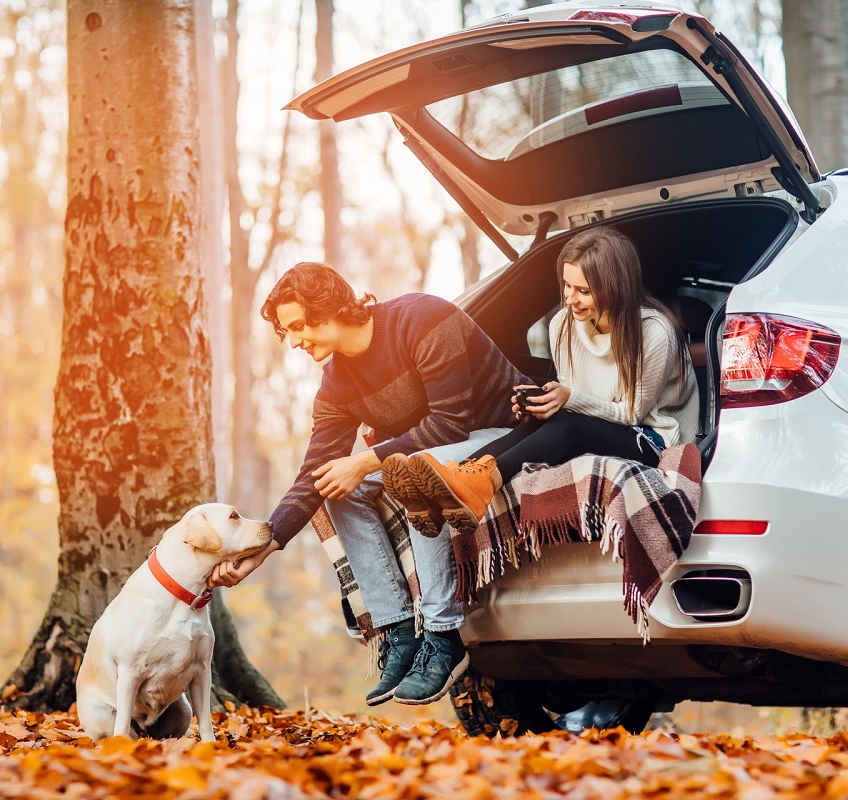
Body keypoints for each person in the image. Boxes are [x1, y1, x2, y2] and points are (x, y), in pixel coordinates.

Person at [209, 262, 524, 706]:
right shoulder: (336, 383)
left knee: (409, 469)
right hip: (430, 452)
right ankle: (399, 631)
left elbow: (451, 424)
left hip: (506, 433)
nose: (294, 341)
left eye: (298, 326)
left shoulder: (423, 319)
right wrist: (261, 549)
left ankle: (442, 636)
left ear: (329, 307)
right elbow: (313, 476)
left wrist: (362, 460)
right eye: (288, 332)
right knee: (337, 487)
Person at [384, 226, 699, 534]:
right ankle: (454, 482)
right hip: (595, 425)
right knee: (540, 419)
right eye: (567, 285)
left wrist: (568, 398)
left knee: (569, 423)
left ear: (616, 287)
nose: (570, 298)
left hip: (652, 438)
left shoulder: (655, 332)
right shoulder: (562, 324)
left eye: (584, 291)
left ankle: (482, 483)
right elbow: (575, 402)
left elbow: (632, 413)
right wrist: (543, 402)